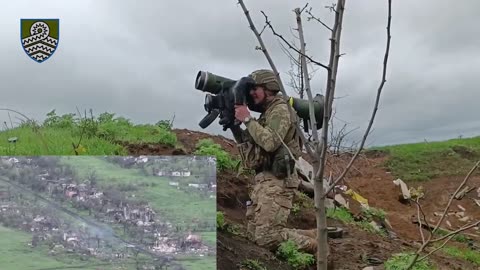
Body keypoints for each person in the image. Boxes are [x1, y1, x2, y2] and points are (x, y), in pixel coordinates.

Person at [230, 69, 317, 253]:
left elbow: (269, 142)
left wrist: (246, 118)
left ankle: (316, 248)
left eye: (256, 88)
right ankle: (311, 235)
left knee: (266, 237)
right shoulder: (267, 113)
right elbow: (255, 147)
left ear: (269, 88)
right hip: (265, 179)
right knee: (253, 234)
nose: (252, 93)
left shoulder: (280, 109)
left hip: (279, 180)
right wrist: (235, 125)